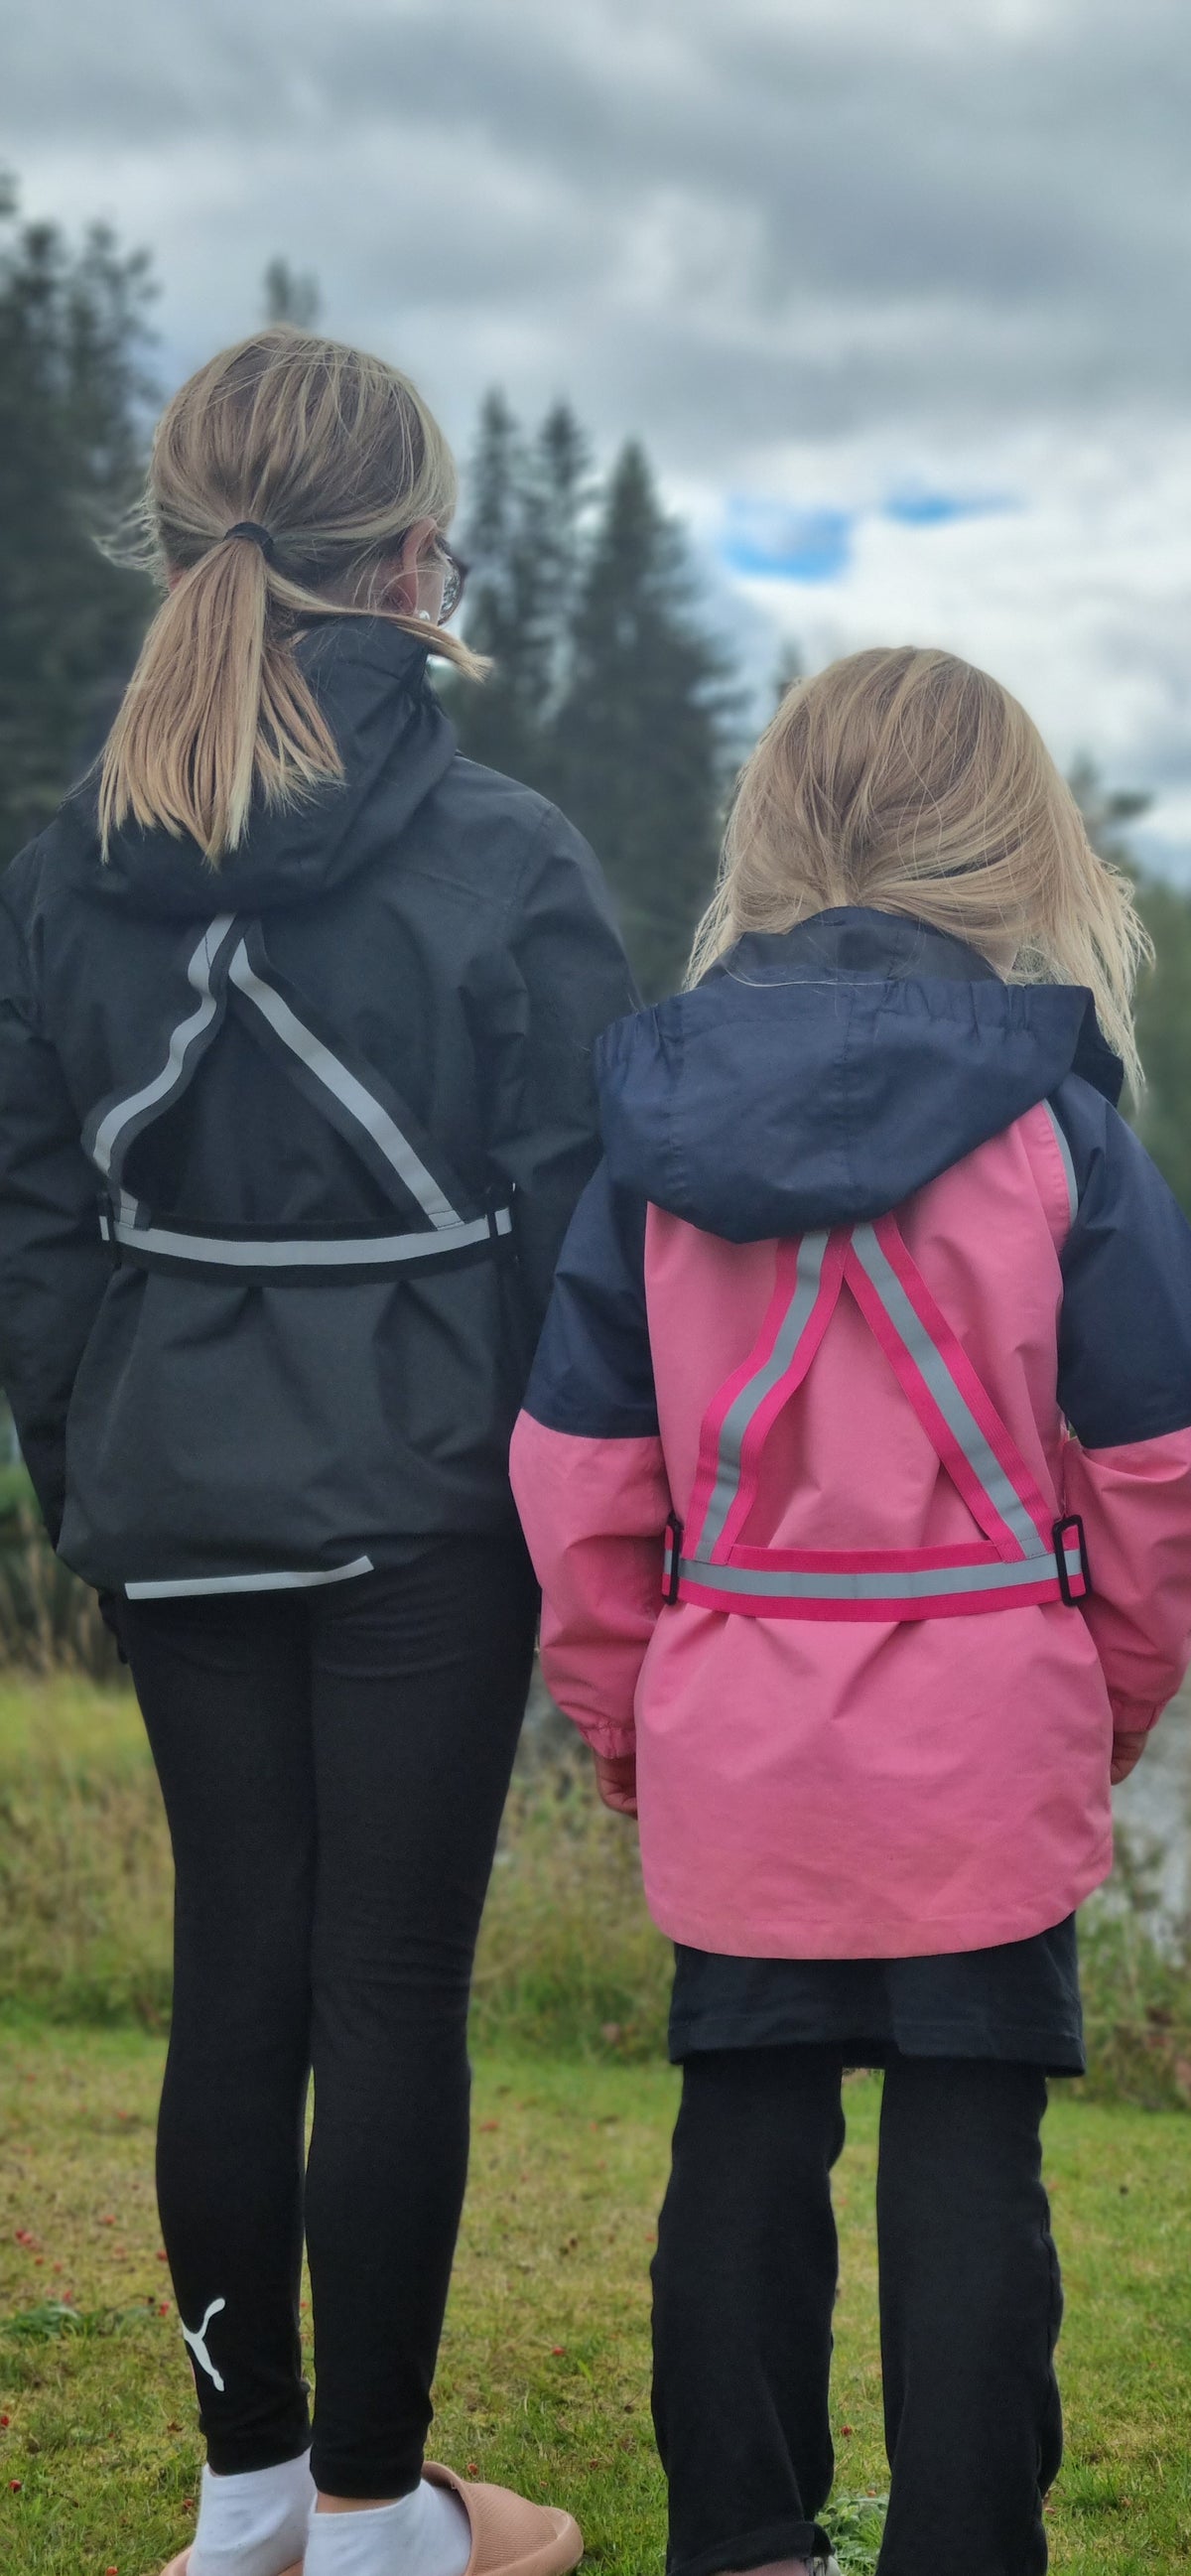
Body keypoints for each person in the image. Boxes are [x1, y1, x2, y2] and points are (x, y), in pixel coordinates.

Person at [0, 329, 637, 2576]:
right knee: (384, 1992)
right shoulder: (502, 850)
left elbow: (37, 1214)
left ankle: (246, 2499)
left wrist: (93, 1474)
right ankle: (378, 2521)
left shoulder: (67, 866)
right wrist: (589, 1519)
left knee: (231, 1983)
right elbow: (579, 1222)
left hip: (176, 1486)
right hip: (426, 1501)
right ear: (403, 559)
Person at [511, 645, 1191, 2576]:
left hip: (738, 1717)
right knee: (968, 2155)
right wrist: (1096, 1700)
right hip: (987, 1717)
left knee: (741, 2137)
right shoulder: (1058, 1134)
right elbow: (1181, 1463)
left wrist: (621, 1720)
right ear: (1020, 847)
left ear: (770, 831)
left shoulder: (651, 1146)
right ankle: (961, 2543)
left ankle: (744, 2538)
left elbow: (581, 1481)